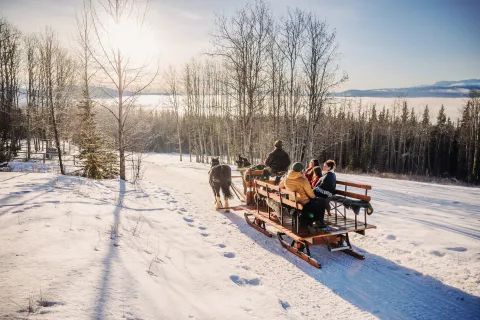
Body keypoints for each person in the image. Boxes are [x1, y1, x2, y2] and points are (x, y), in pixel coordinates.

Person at [280, 162, 327, 228]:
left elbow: (280, 186)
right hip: (304, 202)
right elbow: (310, 194)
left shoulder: (286, 178)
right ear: (300, 170)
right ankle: (319, 222)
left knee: (317, 201)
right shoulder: (303, 180)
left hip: (293, 201)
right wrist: (314, 197)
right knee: (321, 201)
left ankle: (315, 220)